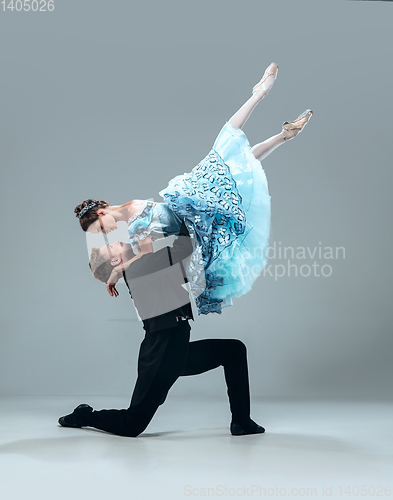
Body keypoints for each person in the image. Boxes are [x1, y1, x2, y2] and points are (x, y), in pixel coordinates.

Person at [74, 62, 313, 315]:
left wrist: (116, 272)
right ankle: (270, 112)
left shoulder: (134, 223)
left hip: (192, 209)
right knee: (228, 160)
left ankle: (276, 122)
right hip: (193, 213)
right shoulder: (132, 213)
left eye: (101, 228)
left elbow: (141, 257)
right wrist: (116, 272)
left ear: (101, 213)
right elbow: (143, 260)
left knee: (229, 163)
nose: (107, 232)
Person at [59, 220, 265, 437]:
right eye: (112, 246)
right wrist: (189, 216)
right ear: (115, 259)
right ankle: (84, 415)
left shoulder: (138, 266)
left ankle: (242, 422)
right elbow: (183, 248)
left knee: (234, 351)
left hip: (176, 348)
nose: (117, 241)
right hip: (161, 354)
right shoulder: (139, 267)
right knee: (132, 425)